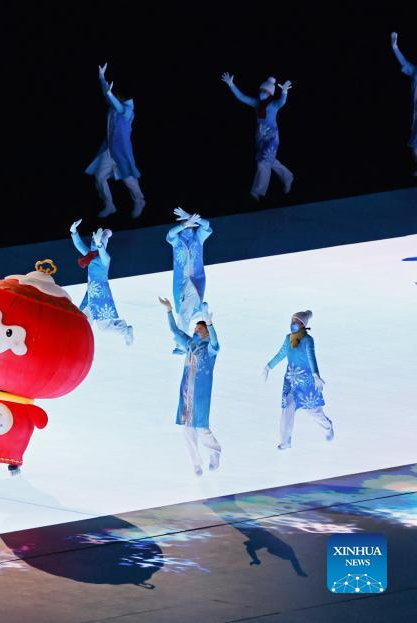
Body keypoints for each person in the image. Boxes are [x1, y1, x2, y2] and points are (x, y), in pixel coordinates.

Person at [159, 296, 221, 476]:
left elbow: (215, 342)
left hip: (200, 394)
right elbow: (174, 330)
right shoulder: (190, 344)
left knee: (201, 427)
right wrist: (169, 310)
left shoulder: (210, 349)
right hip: (186, 392)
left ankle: (214, 452)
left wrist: (210, 323)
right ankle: (196, 464)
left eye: (199, 329)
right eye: (195, 328)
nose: (196, 331)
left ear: (206, 332)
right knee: (187, 428)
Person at [263, 310, 333, 449]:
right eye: (292, 320)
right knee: (287, 408)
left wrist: (316, 374)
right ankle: (285, 441)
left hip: (306, 381)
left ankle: (327, 426)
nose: (293, 323)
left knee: (313, 412)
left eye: (296, 321)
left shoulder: (308, 340)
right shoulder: (288, 338)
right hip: (291, 380)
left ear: (303, 324)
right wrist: (268, 366)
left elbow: (311, 357)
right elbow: (281, 354)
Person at [221, 72, 294, 200]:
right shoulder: (256, 103)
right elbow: (242, 97)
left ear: (270, 94)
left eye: (265, 91)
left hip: (272, 137)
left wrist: (284, 91)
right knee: (270, 161)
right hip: (260, 137)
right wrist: (231, 84)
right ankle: (288, 177)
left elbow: (282, 102)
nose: (262, 92)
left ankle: (257, 191)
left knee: (263, 161)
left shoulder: (273, 104)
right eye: (261, 90)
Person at [86, 63, 146, 218]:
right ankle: (109, 205)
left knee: (128, 179)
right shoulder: (114, 106)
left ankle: (139, 201)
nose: (113, 97)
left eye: (116, 95)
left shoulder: (128, 111)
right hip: (108, 150)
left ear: (122, 97)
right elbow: (108, 96)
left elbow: (119, 107)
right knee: (100, 177)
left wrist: (111, 95)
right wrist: (101, 77)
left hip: (121, 152)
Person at [70, 220, 133, 344]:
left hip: (101, 296)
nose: (93, 243)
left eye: (96, 241)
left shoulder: (104, 260)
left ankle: (125, 330)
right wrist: (73, 231)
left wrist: (99, 245)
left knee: (103, 327)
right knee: (84, 320)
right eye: (93, 241)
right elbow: (79, 244)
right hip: (91, 295)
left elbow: (103, 254)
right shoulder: (89, 255)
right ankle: (79, 343)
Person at [165, 207, 212, 351]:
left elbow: (207, 225)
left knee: (183, 313)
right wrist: (185, 223)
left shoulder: (198, 238)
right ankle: (182, 341)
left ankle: (182, 343)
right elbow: (170, 234)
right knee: (184, 312)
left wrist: (190, 217)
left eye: (189, 222)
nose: (188, 225)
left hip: (196, 280)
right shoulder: (177, 241)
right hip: (181, 282)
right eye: (186, 222)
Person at [391, 32, 417, 175]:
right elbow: (404, 62)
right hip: (416, 116)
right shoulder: (415, 72)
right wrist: (395, 48)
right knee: (415, 148)